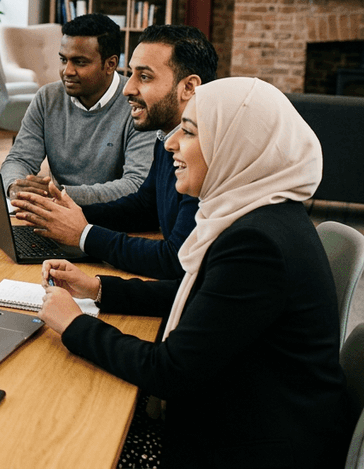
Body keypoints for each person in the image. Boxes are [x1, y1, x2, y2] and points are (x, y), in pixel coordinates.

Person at [39, 77, 352, 468]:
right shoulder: (261, 214)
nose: (170, 142)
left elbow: (169, 371)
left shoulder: (257, 245)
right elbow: (208, 300)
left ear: (236, 145)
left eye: (188, 131)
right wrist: (100, 288)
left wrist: (73, 325)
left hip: (249, 447)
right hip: (256, 418)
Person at [12, 25, 217, 279]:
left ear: (189, 87)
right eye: (131, 74)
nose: (127, 89)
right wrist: (64, 215)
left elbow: (175, 259)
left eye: (144, 77)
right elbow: (144, 206)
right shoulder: (168, 135)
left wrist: (85, 235)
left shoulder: (208, 153)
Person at [0, 13, 153, 206]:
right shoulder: (47, 98)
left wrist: (59, 193)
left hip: (113, 221)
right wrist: (15, 186)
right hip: (57, 212)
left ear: (110, 64)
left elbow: (135, 184)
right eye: (64, 60)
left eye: (80, 62)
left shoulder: (137, 103)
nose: (67, 71)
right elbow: (19, 159)